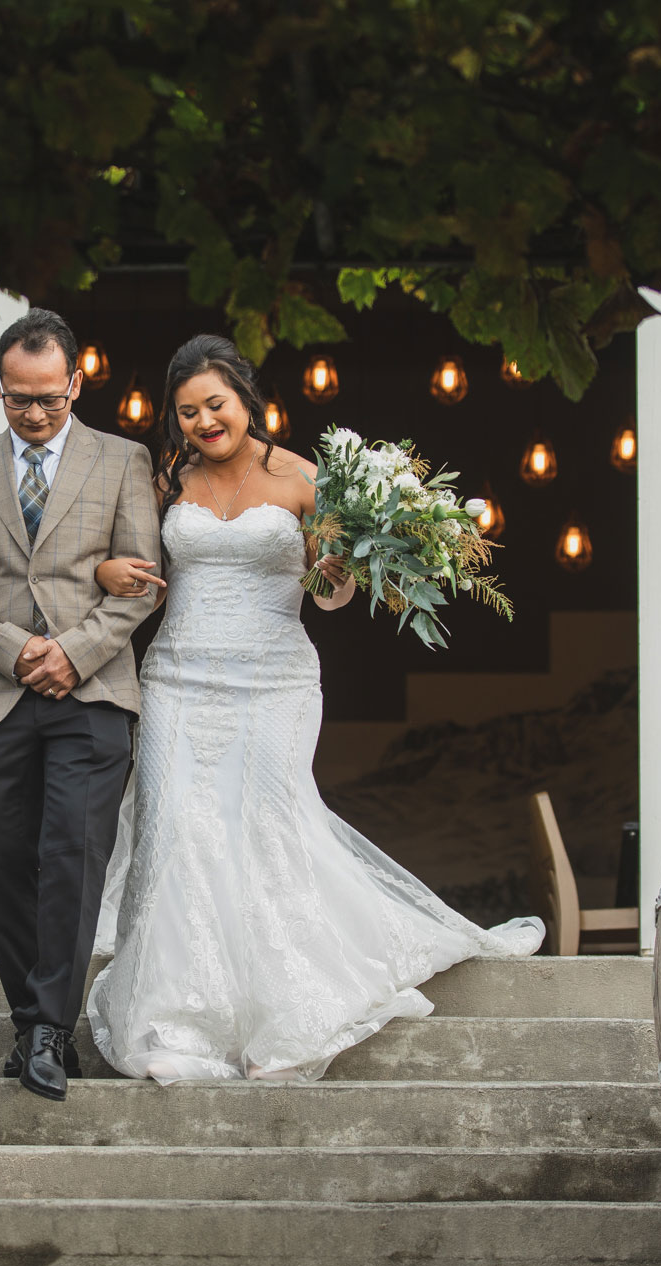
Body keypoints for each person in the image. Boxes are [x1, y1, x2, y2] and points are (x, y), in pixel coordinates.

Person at [83, 334, 545, 1084]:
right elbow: (126, 554)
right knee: (175, 831)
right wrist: (110, 568)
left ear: (245, 396)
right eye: (188, 411)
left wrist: (333, 573)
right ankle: (176, 1022)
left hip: (276, 681)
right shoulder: (167, 479)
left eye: (216, 404)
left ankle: (284, 1016)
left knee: (269, 828)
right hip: (178, 678)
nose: (204, 421)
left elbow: (335, 593)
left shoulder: (304, 477)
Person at [0, 308, 162, 1102]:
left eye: (49, 399)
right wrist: (17, 649)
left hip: (92, 693)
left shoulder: (124, 460)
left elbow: (141, 580)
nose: (33, 414)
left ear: (75, 382)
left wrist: (75, 651)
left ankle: (48, 1033)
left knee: (72, 855)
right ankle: (33, 1018)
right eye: (19, 399)